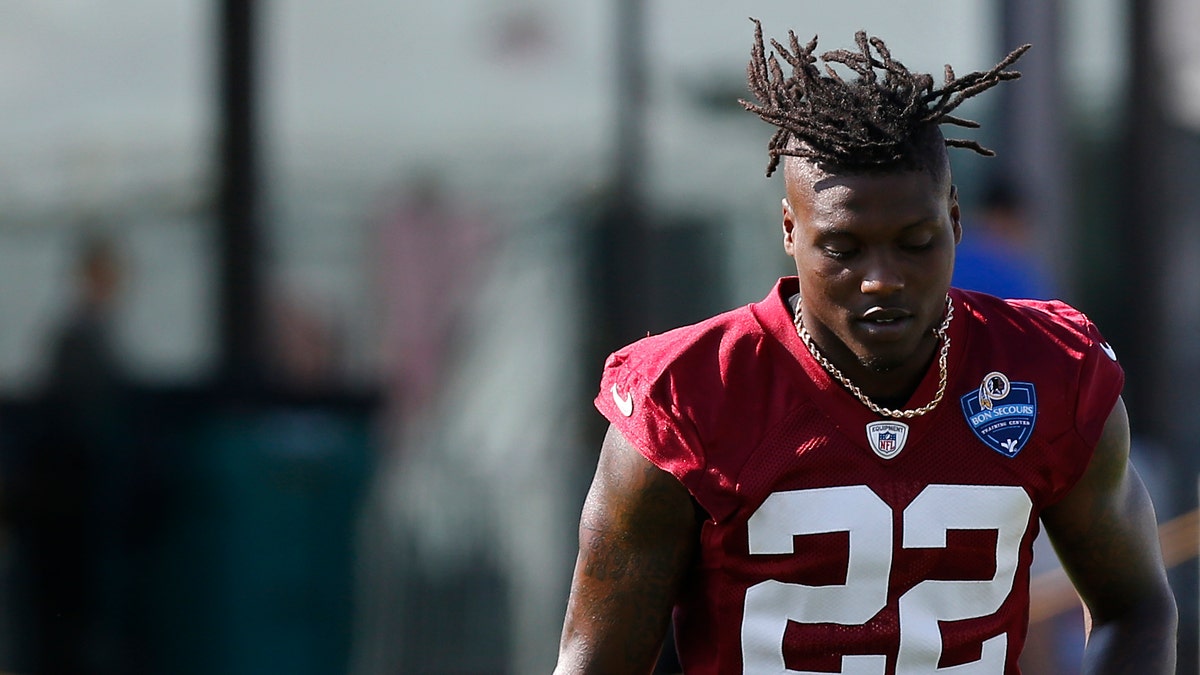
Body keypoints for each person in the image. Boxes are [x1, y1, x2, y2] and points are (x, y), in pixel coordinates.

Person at [554, 19, 1176, 674]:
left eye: (915, 241)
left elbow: (1135, 605)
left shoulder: (1047, 371)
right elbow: (597, 661)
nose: (882, 277)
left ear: (955, 220)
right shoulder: (686, 398)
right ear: (791, 231)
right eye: (844, 247)